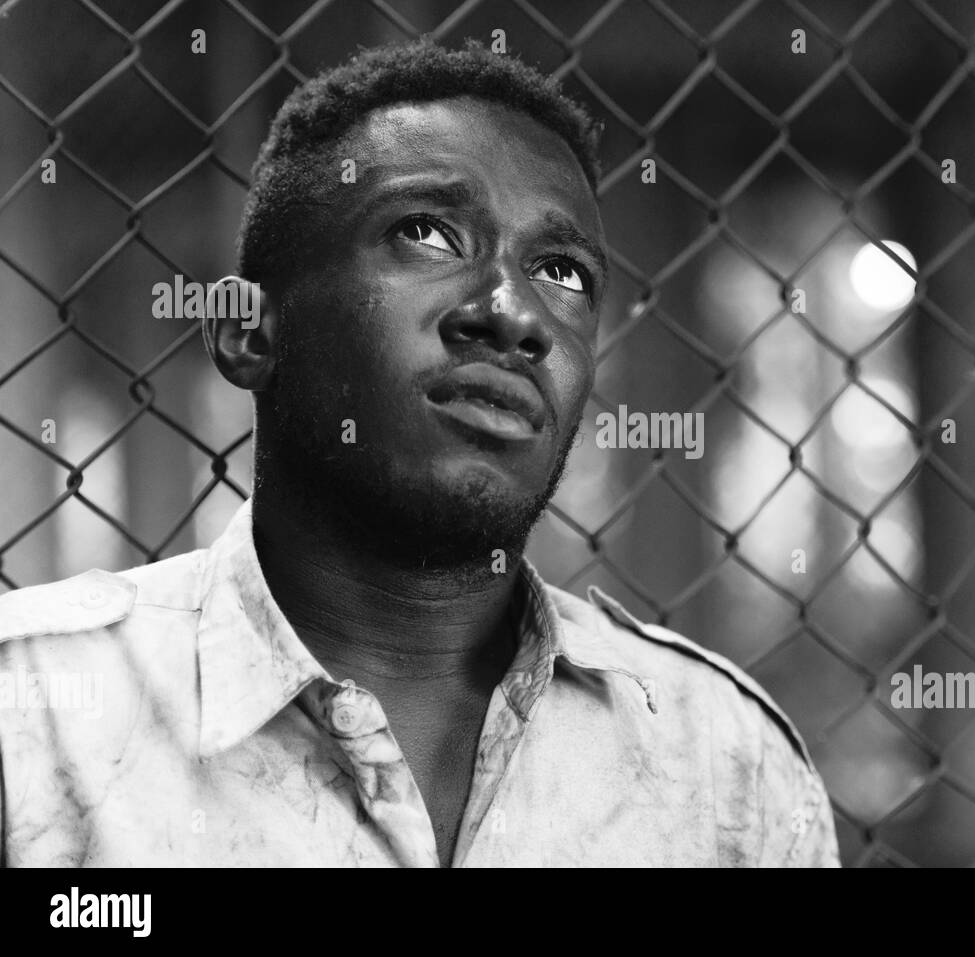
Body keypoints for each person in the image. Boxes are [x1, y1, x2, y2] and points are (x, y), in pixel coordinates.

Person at [0, 38, 839, 867]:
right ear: (248, 327)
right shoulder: (35, 721)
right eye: (427, 232)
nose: (513, 313)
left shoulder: (726, 764)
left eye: (563, 272)